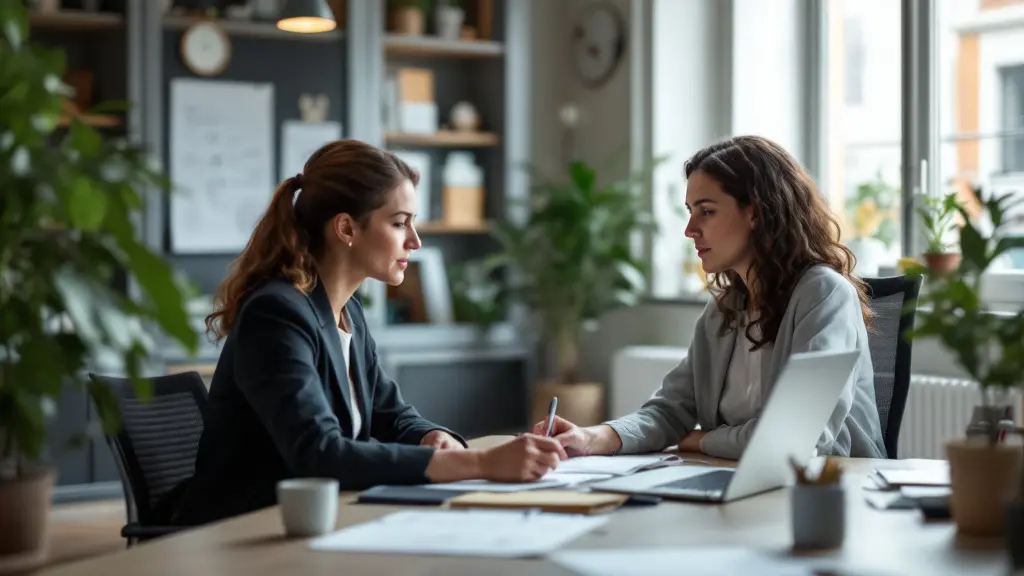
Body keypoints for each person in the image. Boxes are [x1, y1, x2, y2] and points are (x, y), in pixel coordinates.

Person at [171, 140, 566, 526]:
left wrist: (430, 436)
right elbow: (319, 453)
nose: (415, 241)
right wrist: (478, 462)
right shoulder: (276, 313)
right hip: (243, 531)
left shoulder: (349, 313)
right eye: (399, 223)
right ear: (346, 228)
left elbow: (390, 413)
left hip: (323, 518)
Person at [534, 135, 887, 461]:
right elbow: (671, 410)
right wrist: (591, 437)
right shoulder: (724, 310)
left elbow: (795, 437)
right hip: (738, 481)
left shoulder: (823, 294)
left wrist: (702, 440)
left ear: (756, 213)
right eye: (690, 212)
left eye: (706, 211)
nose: (690, 230)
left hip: (828, 492)